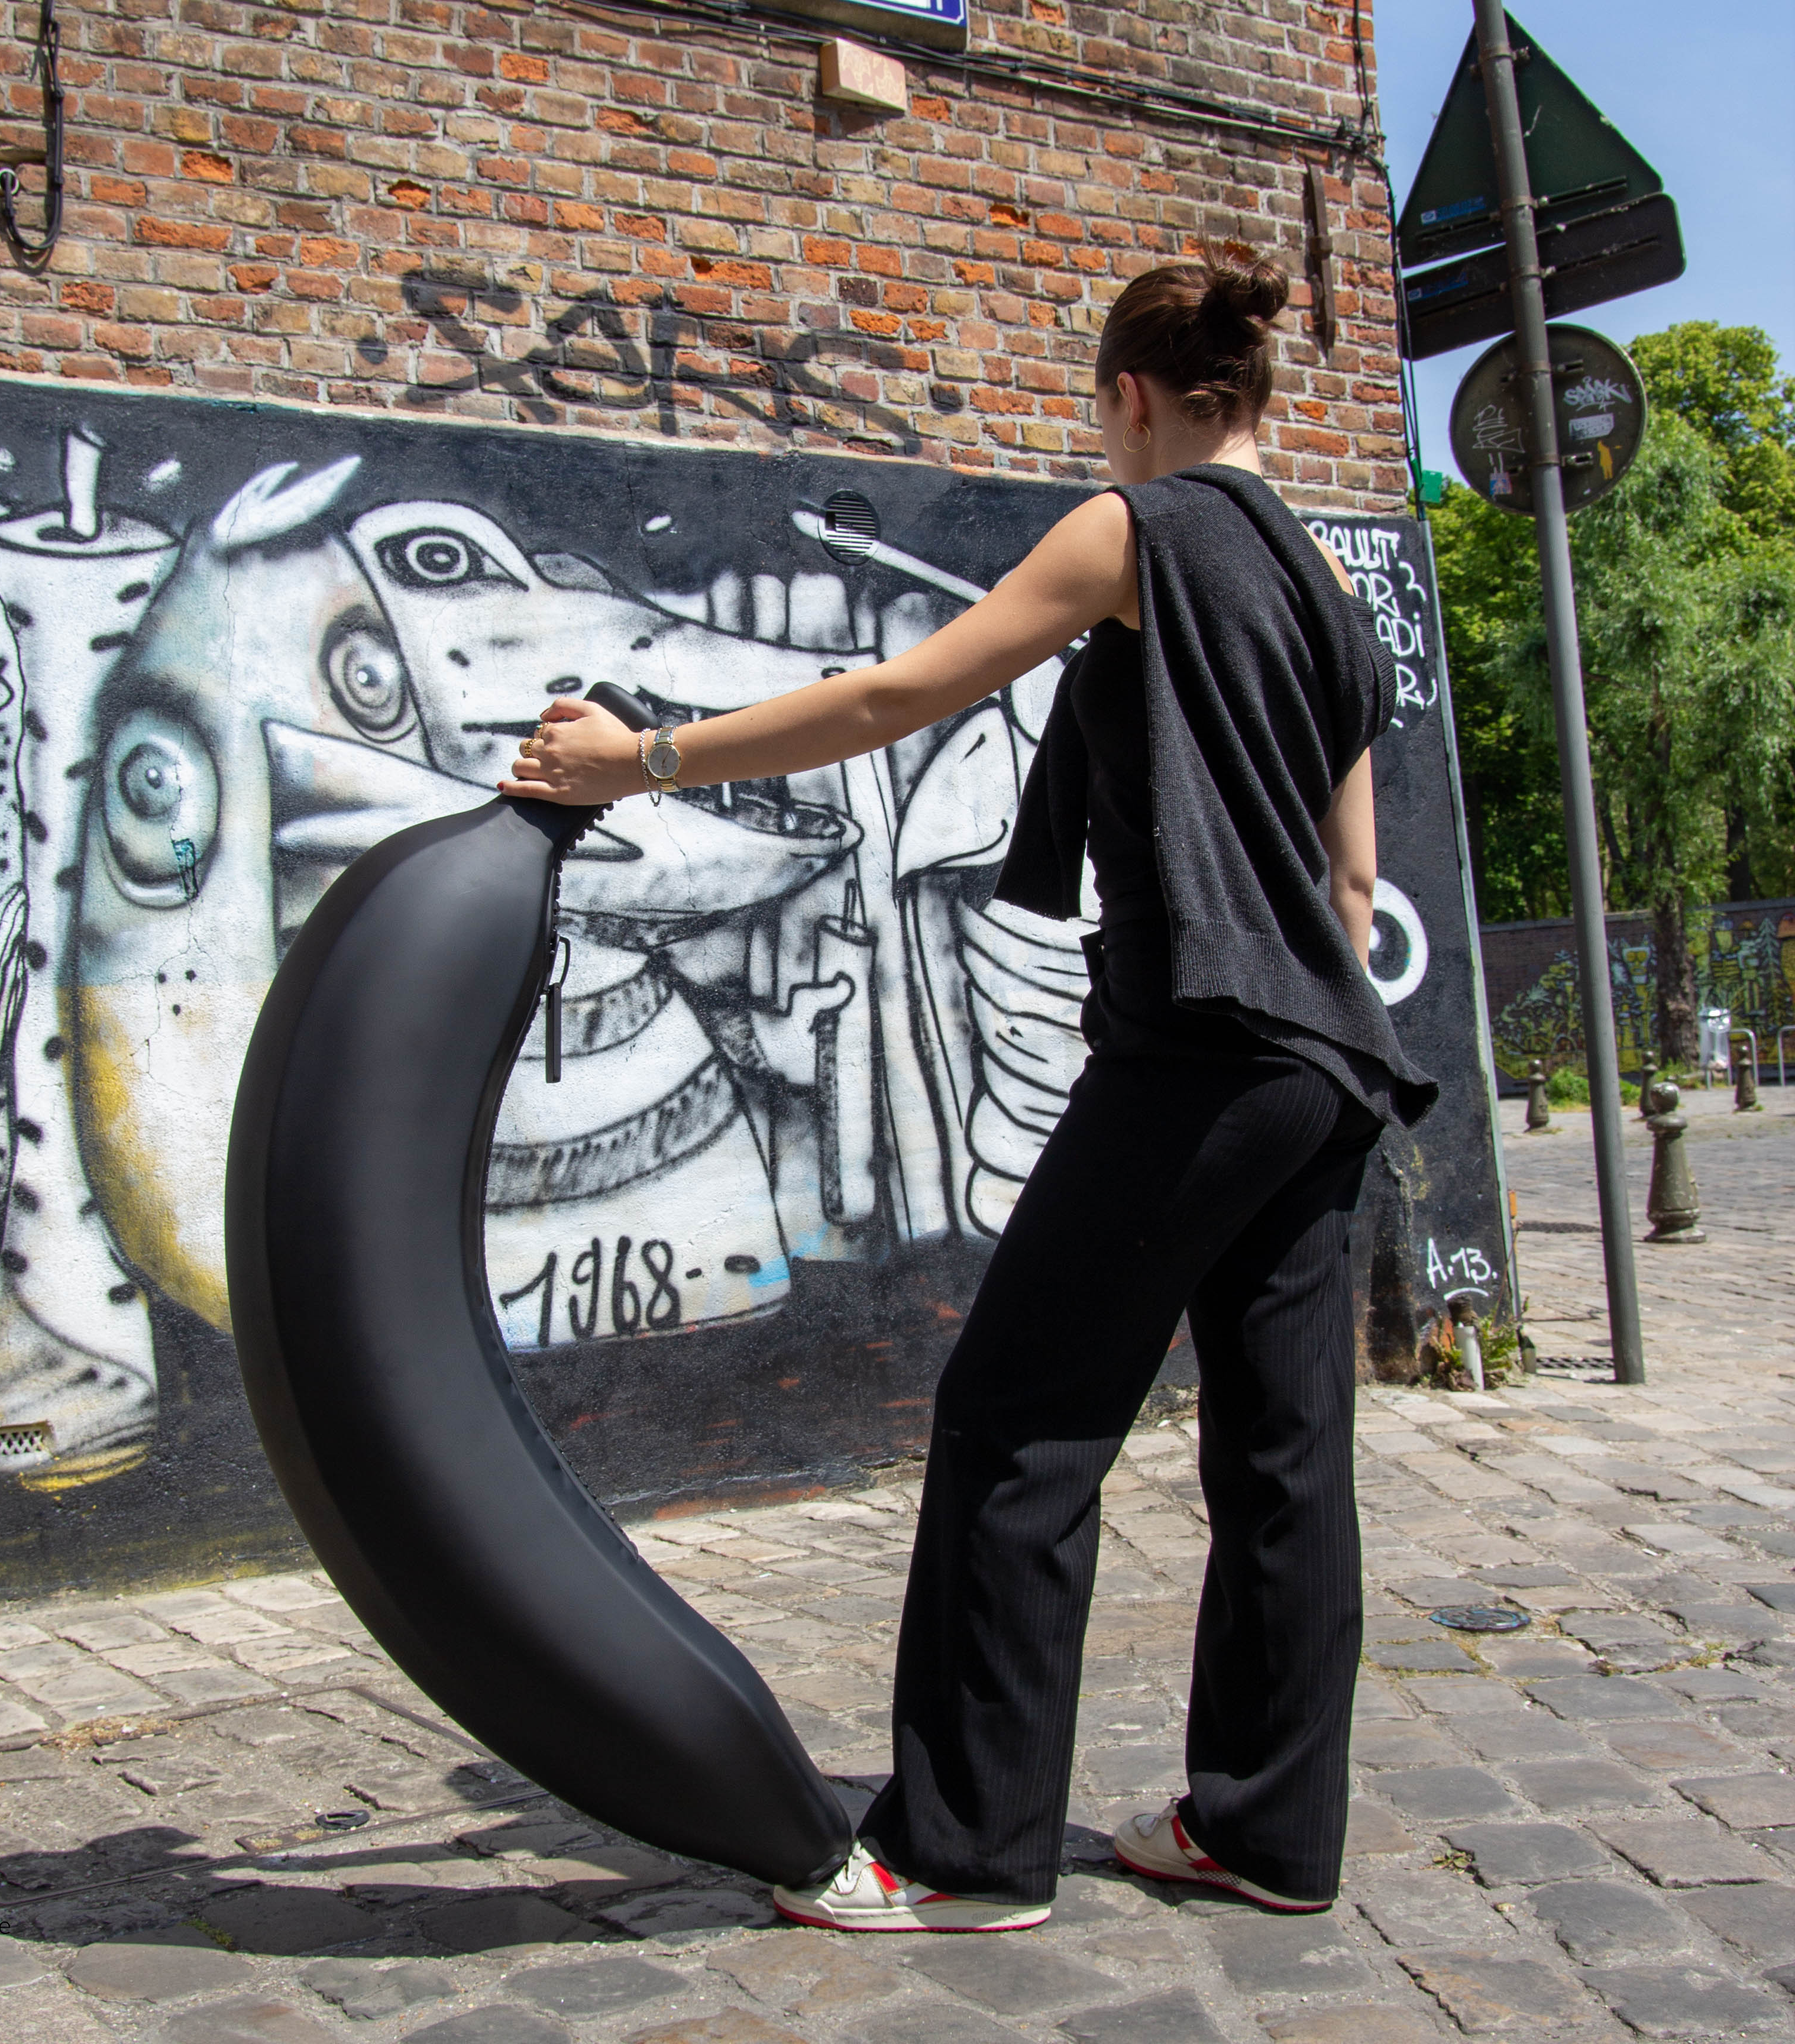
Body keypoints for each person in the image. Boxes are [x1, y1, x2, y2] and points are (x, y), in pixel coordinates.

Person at [500, 250, 1437, 1930]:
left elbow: (898, 693)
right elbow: (1353, 890)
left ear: (1132, 397)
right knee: (1285, 1461)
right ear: (1255, 393)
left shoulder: (1131, 530)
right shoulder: (1332, 596)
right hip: (1330, 1064)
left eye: (1106, 409)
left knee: (1015, 1425)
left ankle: (962, 1850)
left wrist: (635, 761)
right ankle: (1268, 1831)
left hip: (1202, 1049)